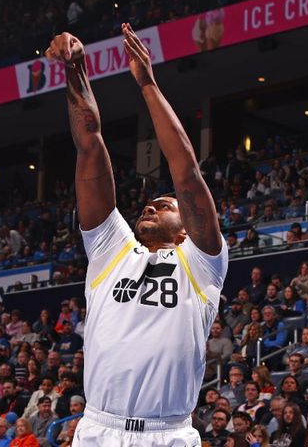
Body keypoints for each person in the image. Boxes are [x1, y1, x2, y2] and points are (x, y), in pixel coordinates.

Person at [47, 25, 227, 447]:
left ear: (187, 228)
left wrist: (147, 84)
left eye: (164, 205)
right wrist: (75, 72)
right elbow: (90, 145)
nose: (149, 206)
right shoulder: (112, 249)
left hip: (167, 435)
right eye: (149, 204)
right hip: (97, 430)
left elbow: (186, 171)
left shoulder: (200, 264)